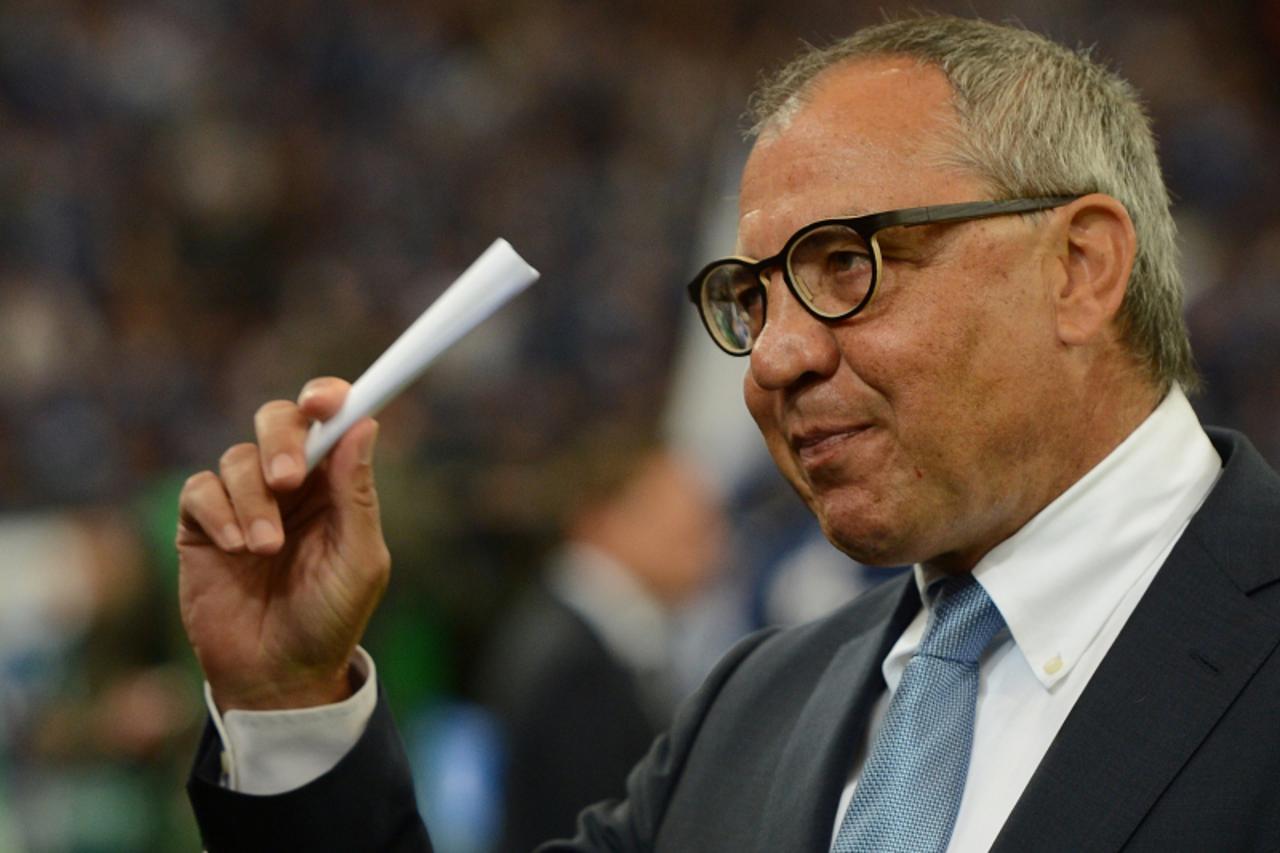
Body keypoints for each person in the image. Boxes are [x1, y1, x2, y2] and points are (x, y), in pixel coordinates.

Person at [178, 14, 1280, 852]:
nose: (771, 358)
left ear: (1078, 268)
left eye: (846, 264)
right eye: (751, 299)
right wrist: (288, 707)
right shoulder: (749, 712)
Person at [474, 445, 725, 850]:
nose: (710, 544)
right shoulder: (575, 665)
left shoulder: (569, 629)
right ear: (600, 520)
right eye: (677, 521)